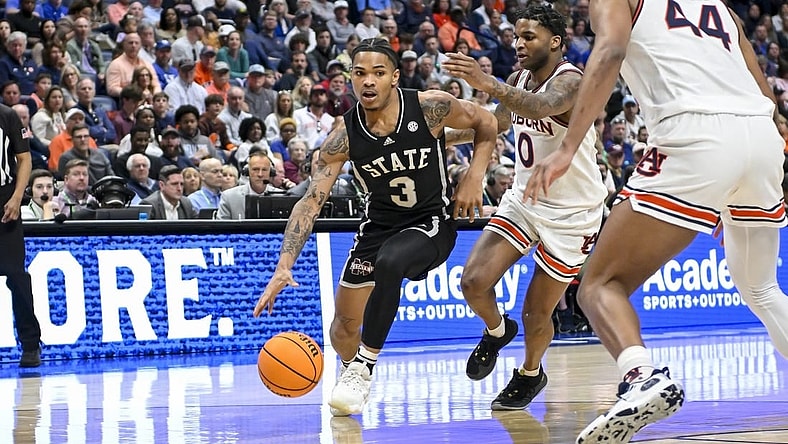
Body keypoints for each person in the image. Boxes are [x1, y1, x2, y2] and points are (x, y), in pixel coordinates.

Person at [522, 0, 788, 442]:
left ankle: (641, 378)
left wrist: (568, 147)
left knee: (599, 283)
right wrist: (732, 183)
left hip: (694, 135)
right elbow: (760, 88)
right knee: (760, 287)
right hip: (761, 137)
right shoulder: (719, 6)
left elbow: (608, 53)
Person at [252, 38, 498, 416]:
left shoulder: (430, 107)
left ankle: (364, 366)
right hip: (378, 228)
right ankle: (355, 380)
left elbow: (487, 121)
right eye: (360, 73)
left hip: (430, 222)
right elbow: (310, 202)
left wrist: (473, 176)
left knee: (391, 262)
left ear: (395, 78)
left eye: (378, 73)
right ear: (350, 79)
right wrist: (284, 264)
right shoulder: (343, 137)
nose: (368, 81)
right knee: (342, 329)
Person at [442, 4, 607, 410]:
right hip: (524, 198)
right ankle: (497, 331)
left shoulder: (571, 80)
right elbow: (499, 123)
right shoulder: (518, 78)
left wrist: (487, 83)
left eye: (527, 37)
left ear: (555, 42)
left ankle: (531, 373)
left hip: (573, 213)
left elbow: (539, 107)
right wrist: (439, 139)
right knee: (473, 282)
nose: (517, 44)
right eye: (516, 36)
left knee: (537, 313)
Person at [0, 103, 42, 366]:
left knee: (16, 274)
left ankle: (30, 343)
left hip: (4, 197)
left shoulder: (7, 115)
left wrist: (17, 197)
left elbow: (24, 158)